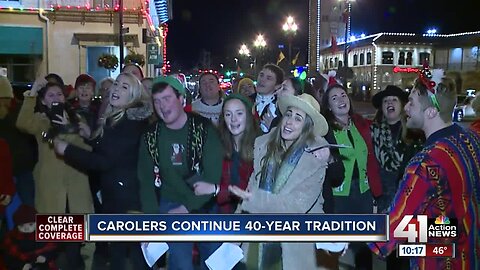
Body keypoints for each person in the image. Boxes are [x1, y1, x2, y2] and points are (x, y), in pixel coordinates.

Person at [369, 72, 480, 269]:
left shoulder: (425, 163)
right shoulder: (473, 140)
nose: (406, 108)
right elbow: (452, 223)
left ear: (431, 112)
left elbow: (391, 227)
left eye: (411, 102)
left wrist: (337, 232)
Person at [53, 72, 151, 270]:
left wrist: (67, 150)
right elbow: (110, 150)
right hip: (117, 194)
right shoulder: (117, 117)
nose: (116, 89)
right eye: (116, 84)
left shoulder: (129, 123)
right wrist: (91, 137)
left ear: (133, 95)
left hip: (126, 199)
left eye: (124, 87)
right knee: (121, 249)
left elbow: (104, 161)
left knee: (133, 253)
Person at [232, 93, 332, 269]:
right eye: (288, 114)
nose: (289, 122)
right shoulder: (264, 148)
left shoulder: (314, 159)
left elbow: (297, 207)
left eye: (298, 118)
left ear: (306, 127)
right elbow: (249, 192)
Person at [138, 75, 223, 270]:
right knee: (180, 263)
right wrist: (151, 222)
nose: (162, 106)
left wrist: (187, 207)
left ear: (182, 99)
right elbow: (146, 182)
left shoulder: (203, 129)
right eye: (157, 101)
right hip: (170, 205)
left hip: (204, 204)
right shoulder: (150, 136)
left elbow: (213, 176)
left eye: (167, 99)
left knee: (212, 262)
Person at [16, 79, 93, 270]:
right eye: (51, 95)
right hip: (51, 192)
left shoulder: (77, 119)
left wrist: (70, 128)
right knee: (50, 250)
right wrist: (32, 92)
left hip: (76, 192)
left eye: (59, 94)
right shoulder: (41, 121)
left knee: (75, 249)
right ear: (44, 101)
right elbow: (22, 123)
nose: (56, 98)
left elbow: (87, 150)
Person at [320, 83, 382, 269]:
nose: (341, 100)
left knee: (364, 248)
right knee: (339, 250)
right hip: (338, 197)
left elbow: (372, 158)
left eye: (343, 95)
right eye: (334, 98)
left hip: (363, 193)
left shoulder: (361, 124)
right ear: (329, 106)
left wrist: (375, 194)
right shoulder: (324, 130)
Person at [192, 94, 259, 214]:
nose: (233, 119)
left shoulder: (260, 146)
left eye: (239, 113)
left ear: (248, 116)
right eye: (228, 114)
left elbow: (253, 195)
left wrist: (217, 189)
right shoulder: (216, 145)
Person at [371, 85, 424, 213]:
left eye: (394, 99)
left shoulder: (415, 132)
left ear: (402, 105)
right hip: (383, 197)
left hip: (409, 194)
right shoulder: (373, 132)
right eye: (385, 101)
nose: (389, 102)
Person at [0, 76, 37, 208]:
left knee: (28, 208)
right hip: (6, 172)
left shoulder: (21, 111)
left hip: (22, 170)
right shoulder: (20, 109)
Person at [2, 204, 57, 270]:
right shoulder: (12, 238)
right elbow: (8, 258)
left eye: (30, 224)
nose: (26, 228)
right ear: (17, 226)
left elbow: (54, 250)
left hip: (44, 265)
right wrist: (22, 265)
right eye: (22, 226)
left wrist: (45, 257)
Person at [254, 64, 284, 133]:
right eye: (261, 75)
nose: (262, 80)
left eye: (269, 78)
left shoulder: (280, 108)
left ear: (277, 86)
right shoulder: (246, 101)